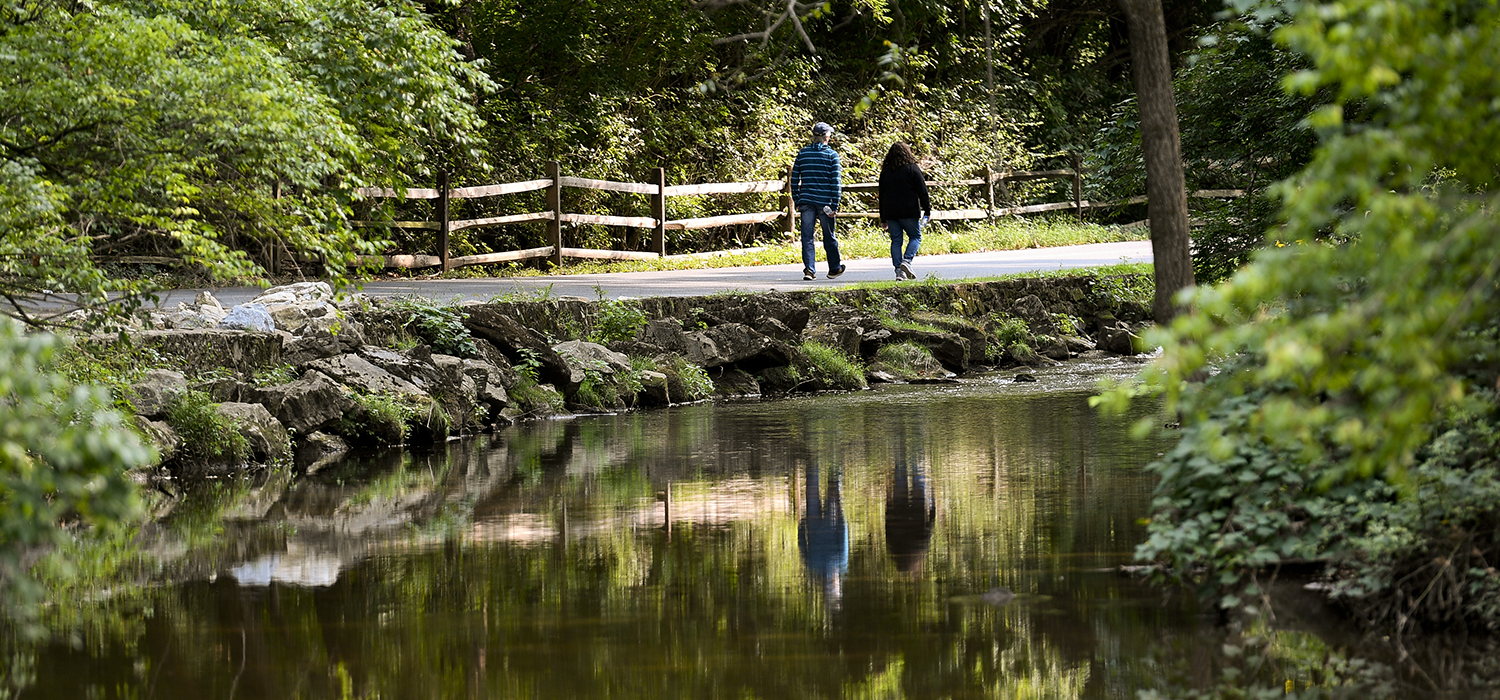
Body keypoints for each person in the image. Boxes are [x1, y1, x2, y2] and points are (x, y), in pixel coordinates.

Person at [790, 122, 845, 281]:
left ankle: (809, 270)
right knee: (829, 236)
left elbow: (794, 178)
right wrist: (835, 204)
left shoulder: (803, 154)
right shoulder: (832, 156)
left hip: (806, 200)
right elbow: (836, 182)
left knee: (807, 237)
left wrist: (797, 198)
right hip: (826, 202)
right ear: (827, 136)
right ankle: (834, 268)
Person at [878, 142, 931, 280]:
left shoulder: (886, 172)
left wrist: (883, 218)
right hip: (908, 211)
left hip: (890, 211)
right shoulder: (912, 169)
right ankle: (906, 261)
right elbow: (922, 191)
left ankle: (898, 271)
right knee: (915, 237)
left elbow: (881, 195)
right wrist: (927, 210)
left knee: (896, 240)